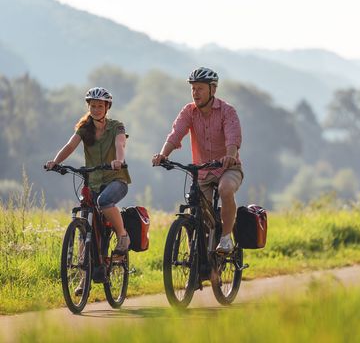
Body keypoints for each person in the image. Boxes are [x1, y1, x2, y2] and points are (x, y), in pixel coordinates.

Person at [152, 67, 243, 254]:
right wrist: (163, 154)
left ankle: (226, 238)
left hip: (228, 168)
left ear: (213, 89)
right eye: (193, 89)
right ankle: (200, 256)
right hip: (202, 171)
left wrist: (230, 155)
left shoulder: (227, 111)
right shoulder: (189, 111)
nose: (195, 93)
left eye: (200, 88)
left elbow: (233, 138)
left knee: (226, 189)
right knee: (199, 211)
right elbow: (176, 134)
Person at [45, 87, 131, 256]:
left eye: (100, 106)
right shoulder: (84, 128)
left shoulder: (116, 126)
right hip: (93, 181)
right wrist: (55, 162)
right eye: (93, 106)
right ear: (88, 107)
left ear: (107, 107)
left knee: (104, 201)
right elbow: (70, 146)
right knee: (84, 220)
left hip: (116, 179)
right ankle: (84, 276)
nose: (96, 110)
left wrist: (118, 161)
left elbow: (120, 145)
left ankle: (123, 235)